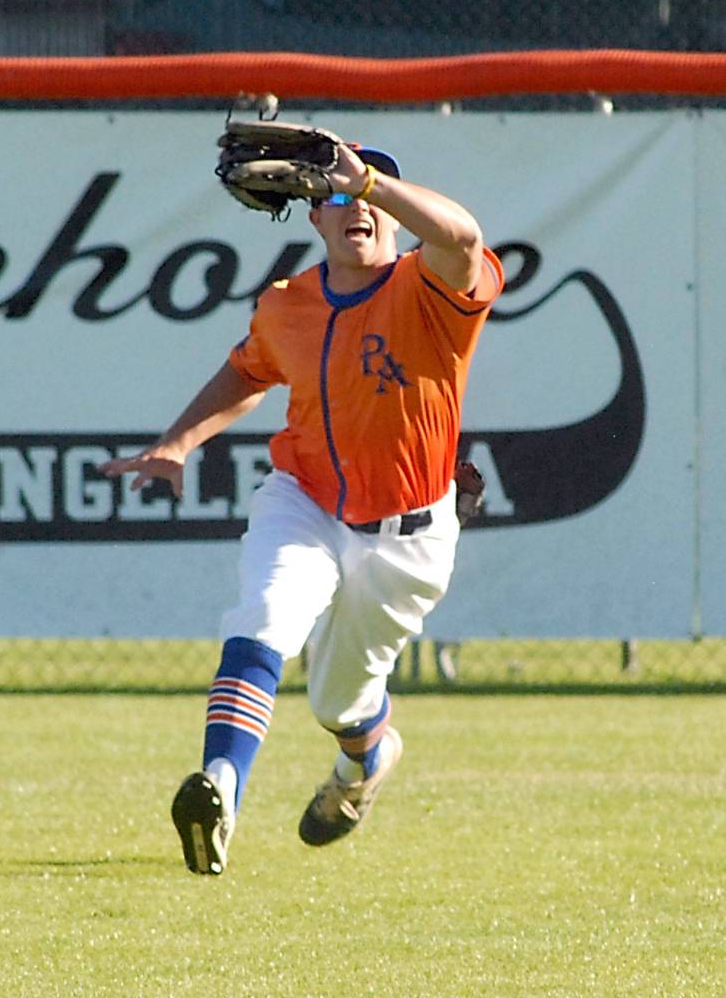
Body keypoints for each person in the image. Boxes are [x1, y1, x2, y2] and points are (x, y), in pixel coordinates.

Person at [98, 133, 504, 875]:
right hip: (304, 498)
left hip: (406, 538)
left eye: (372, 195)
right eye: (336, 197)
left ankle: (363, 761)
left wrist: (371, 182)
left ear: (393, 210)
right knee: (263, 616)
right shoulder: (289, 304)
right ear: (311, 217)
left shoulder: (435, 288)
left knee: (340, 705)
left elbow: (463, 235)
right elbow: (247, 372)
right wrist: (179, 442)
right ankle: (220, 788)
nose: (356, 206)